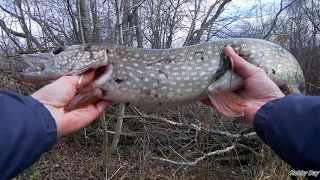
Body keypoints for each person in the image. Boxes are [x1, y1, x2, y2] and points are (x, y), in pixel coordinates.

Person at [0, 46, 319, 179]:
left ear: (97, 53)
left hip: (269, 67)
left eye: (59, 53)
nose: (54, 56)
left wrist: (281, 108)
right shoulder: (102, 74)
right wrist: (280, 112)